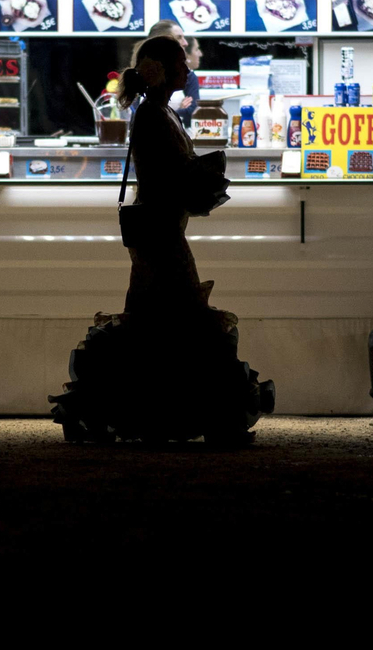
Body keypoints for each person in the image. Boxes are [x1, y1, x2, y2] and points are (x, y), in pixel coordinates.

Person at [48, 34, 274, 444]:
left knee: (151, 324)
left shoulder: (155, 111)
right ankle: (217, 420)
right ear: (165, 71)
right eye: (182, 64)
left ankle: (107, 414)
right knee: (186, 322)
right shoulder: (155, 114)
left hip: (158, 229)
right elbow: (171, 175)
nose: (189, 71)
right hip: (161, 232)